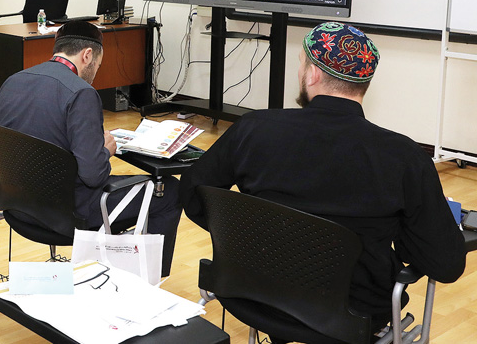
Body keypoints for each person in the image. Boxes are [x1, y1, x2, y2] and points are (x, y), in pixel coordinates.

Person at [180, 22, 466, 336]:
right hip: (351, 314)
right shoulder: (404, 157)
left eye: (300, 65)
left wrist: (245, 235)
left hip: (250, 294)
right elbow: (446, 264)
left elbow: (195, 192)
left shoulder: (254, 128)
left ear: (313, 74)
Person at [0, 20, 182, 277]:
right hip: (68, 217)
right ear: (88, 54)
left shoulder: (14, 80)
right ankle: (148, 285)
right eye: (98, 64)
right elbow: (93, 175)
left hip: (16, 206)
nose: (96, 71)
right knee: (171, 191)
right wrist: (105, 149)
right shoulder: (81, 93)